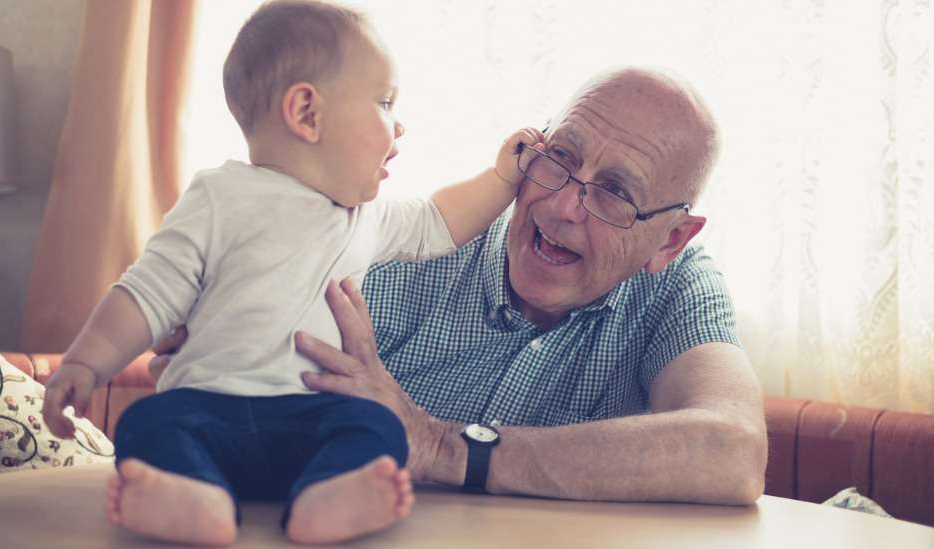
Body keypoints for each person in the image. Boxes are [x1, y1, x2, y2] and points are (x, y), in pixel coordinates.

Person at [40, 1, 540, 546]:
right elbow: (145, 295)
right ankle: (193, 497)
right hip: (209, 408)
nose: (399, 124)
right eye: (384, 101)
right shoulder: (217, 198)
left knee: (379, 428)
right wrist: (86, 362)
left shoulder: (365, 217)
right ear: (307, 112)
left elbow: (443, 221)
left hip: (314, 415)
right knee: (148, 423)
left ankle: (328, 497)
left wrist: (501, 177)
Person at [151, 66, 769, 506]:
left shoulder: (678, 288)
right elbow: (243, 361)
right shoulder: (409, 249)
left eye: (613, 191)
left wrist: (440, 445)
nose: (560, 208)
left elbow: (733, 450)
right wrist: (220, 345)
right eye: (557, 158)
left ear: (669, 240)